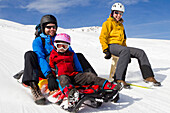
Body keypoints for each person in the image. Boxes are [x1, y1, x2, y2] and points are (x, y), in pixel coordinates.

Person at [22, 15, 83, 105]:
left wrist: (80, 73)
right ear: (43, 28)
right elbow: (40, 58)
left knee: (78, 55)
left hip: (62, 68)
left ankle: (93, 81)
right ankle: (35, 88)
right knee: (29, 54)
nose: (52, 29)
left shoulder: (60, 38)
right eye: (48, 27)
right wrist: (49, 75)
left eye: (53, 27)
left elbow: (71, 54)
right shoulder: (39, 41)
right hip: (45, 70)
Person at [49, 33, 122, 107]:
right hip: (62, 77)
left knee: (89, 76)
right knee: (64, 79)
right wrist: (52, 78)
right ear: (55, 46)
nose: (62, 48)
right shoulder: (53, 55)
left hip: (74, 75)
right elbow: (52, 68)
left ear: (68, 47)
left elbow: (77, 66)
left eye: (64, 46)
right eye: (59, 46)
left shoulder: (71, 54)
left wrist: (81, 75)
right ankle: (72, 94)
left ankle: (109, 85)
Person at [99, 3, 161, 89]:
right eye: (116, 13)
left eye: (121, 13)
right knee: (125, 51)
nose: (118, 15)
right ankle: (118, 79)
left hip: (121, 47)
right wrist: (105, 50)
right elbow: (103, 37)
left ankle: (148, 77)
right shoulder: (107, 23)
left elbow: (123, 41)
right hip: (111, 46)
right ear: (112, 13)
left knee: (140, 52)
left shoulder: (121, 26)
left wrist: (126, 55)